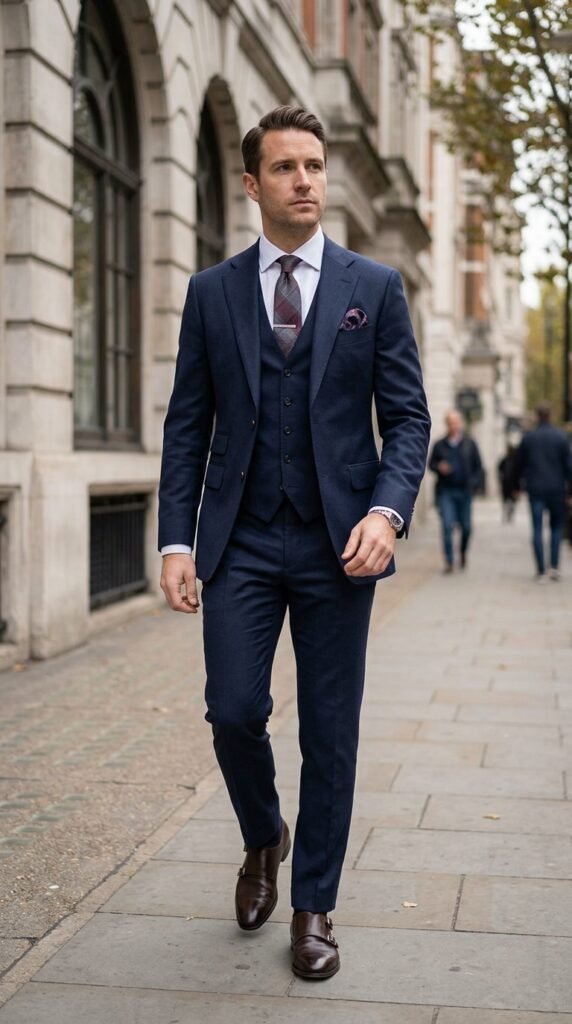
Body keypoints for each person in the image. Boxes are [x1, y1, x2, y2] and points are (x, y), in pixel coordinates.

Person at [158, 106, 430, 980]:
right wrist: (173, 540)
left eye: (314, 165)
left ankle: (313, 906)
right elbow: (185, 426)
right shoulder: (211, 292)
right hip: (237, 541)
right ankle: (263, 835)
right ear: (252, 185)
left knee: (331, 733)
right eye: (286, 168)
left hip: (338, 546)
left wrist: (386, 515)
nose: (306, 179)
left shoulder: (374, 287)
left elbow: (410, 421)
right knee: (234, 711)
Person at [515, 402, 572, 581]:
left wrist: (517, 486)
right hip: (557, 489)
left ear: (537, 416)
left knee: (537, 528)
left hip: (536, 489)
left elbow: (518, 464)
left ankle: (540, 569)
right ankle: (554, 567)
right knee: (556, 528)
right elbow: (569, 466)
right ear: (550, 415)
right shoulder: (561, 437)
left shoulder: (529, 437)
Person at [428, 409, 483, 573]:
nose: (454, 425)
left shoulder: (470, 444)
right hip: (446, 491)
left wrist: (473, 484)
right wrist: (439, 467)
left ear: (460, 424)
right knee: (447, 526)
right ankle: (449, 562)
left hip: (465, 492)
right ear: (447, 424)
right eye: (450, 422)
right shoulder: (439, 445)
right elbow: (431, 465)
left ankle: (463, 553)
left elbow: (478, 467)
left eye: (456, 422)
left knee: (466, 527)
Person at [497, 442, 520, 522]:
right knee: (507, 501)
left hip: (510, 484)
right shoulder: (506, 460)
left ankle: (509, 514)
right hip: (507, 484)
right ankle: (507, 514)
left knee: (510, 501)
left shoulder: (514, 460)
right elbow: (499, 469)